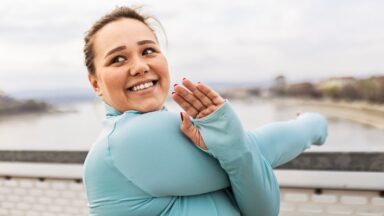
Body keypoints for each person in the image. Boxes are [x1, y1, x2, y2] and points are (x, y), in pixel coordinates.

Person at [82, 6, 328, 216]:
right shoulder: (126, 140)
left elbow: (263, 209)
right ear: (95, 83)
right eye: (118, 59)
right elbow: (259, 149)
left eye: (148, 51)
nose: (140, 66)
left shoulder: (175, 133)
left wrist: (234, 148)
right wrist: (312, 125)